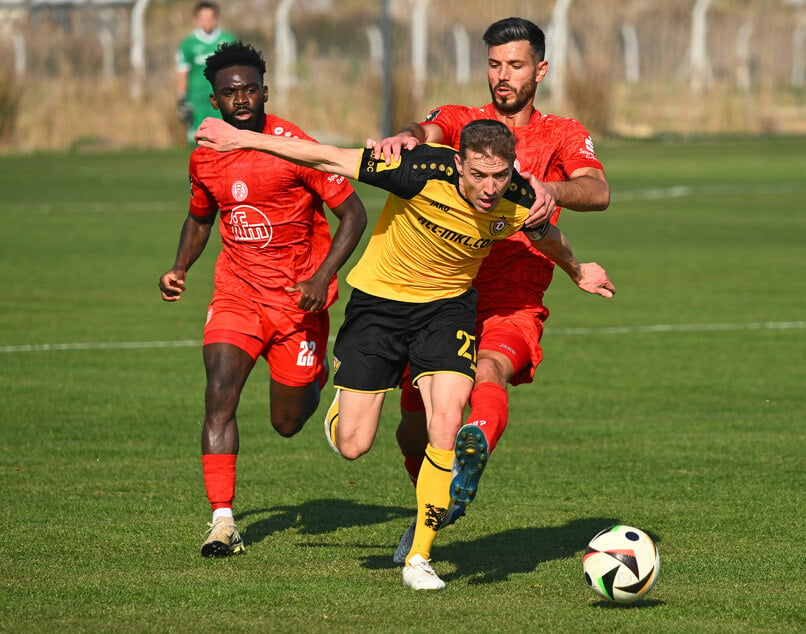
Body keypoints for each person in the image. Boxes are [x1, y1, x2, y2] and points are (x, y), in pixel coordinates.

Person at [195, 114, 615, 590]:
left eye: (500, 175)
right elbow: (324, 154)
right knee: (353, 444)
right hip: (380, 308)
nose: (489, 187)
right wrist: (241, 138)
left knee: (446, 421)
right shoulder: (416, 170)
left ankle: (420, 558)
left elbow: (548, 237)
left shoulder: (517, 197)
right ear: (459, 164)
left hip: (448, 311)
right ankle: (343, 411)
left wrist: (579, 272)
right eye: (479, 175)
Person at [370, 17, 611, 563]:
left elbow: (598, 190)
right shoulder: (463, 121)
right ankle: (437, 503)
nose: (503, 77)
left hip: (515, 298)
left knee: (489, 369)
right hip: (443, 296)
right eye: (495, 65)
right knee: (413, 431)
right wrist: (407, 137)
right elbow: (425, 130)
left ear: (540, 70)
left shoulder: (563, 134)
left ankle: (472, 444)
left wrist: (549, 188)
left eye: (516, 66)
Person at [158, 41, 368, 559]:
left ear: (265, 91)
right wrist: (179, 267)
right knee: (218, 393)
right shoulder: (206, 154)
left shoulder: (296, 146)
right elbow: (201, 216)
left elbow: (355, 215)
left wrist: (322, 276)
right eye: (230, 93)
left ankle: (318, 376)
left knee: (287, 422)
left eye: (251, 89)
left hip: (298, 302)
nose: (242, 99)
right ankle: (222, 520)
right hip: (237, 293)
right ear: (215, 100)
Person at [175, 2, 236, 143]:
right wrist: (181, 99)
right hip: (197, 100)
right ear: (197, 19)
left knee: (225, 139)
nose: (207, 21)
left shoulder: (228, 39)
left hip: (223, 98)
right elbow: (182, 73)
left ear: (216, 18)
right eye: (203, 17)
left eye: (210, 17)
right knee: (200, 141)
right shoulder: (188, 44)